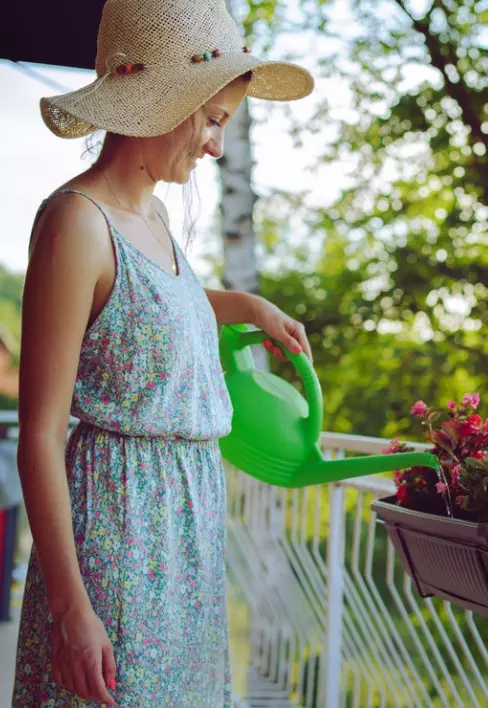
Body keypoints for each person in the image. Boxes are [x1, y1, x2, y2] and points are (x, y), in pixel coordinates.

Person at [12, 0, 315, 704]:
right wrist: (70, 610)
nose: (214, 147)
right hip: (120, 535)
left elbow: (146, 309)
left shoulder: (148, 216)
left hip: (186, 539)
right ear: (163, 99)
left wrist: (248, 308)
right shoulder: (76, 225)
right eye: (212, 122)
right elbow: (38, 435)